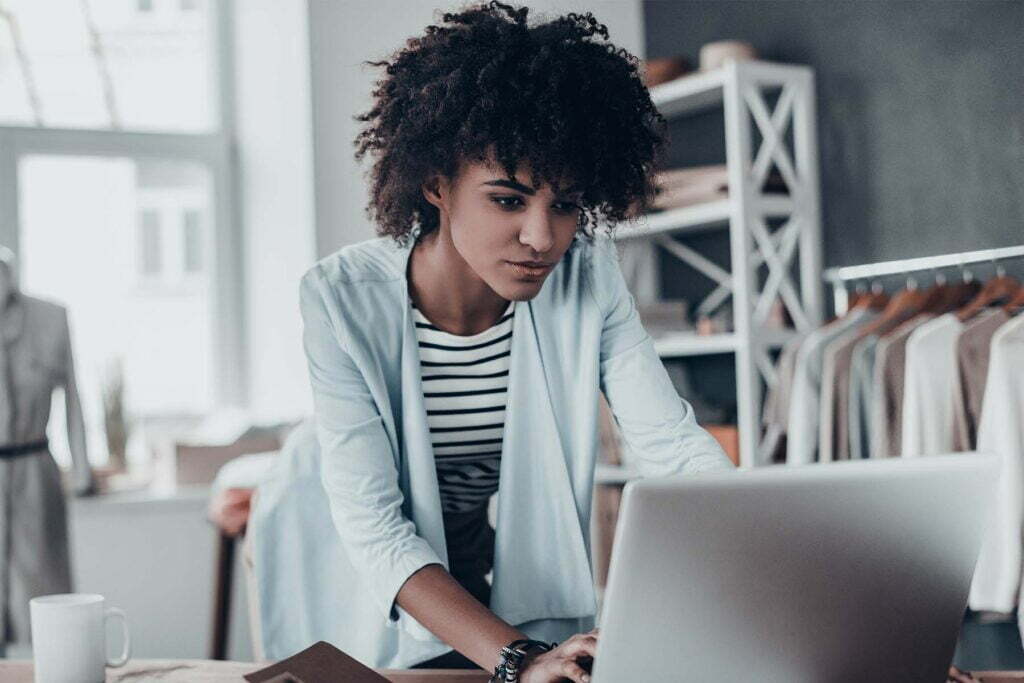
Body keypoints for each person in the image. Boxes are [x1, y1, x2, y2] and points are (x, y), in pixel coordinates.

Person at [298, 2, 734, 680]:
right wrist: (517, 656)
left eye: (564, 205)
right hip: (353, 550)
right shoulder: (339, 300)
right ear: (436, 183)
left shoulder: (587, 275)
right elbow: (376, 529)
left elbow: (673, 449)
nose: (542, 237)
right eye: (508, 199)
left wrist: (764, 548)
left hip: (475, 543)